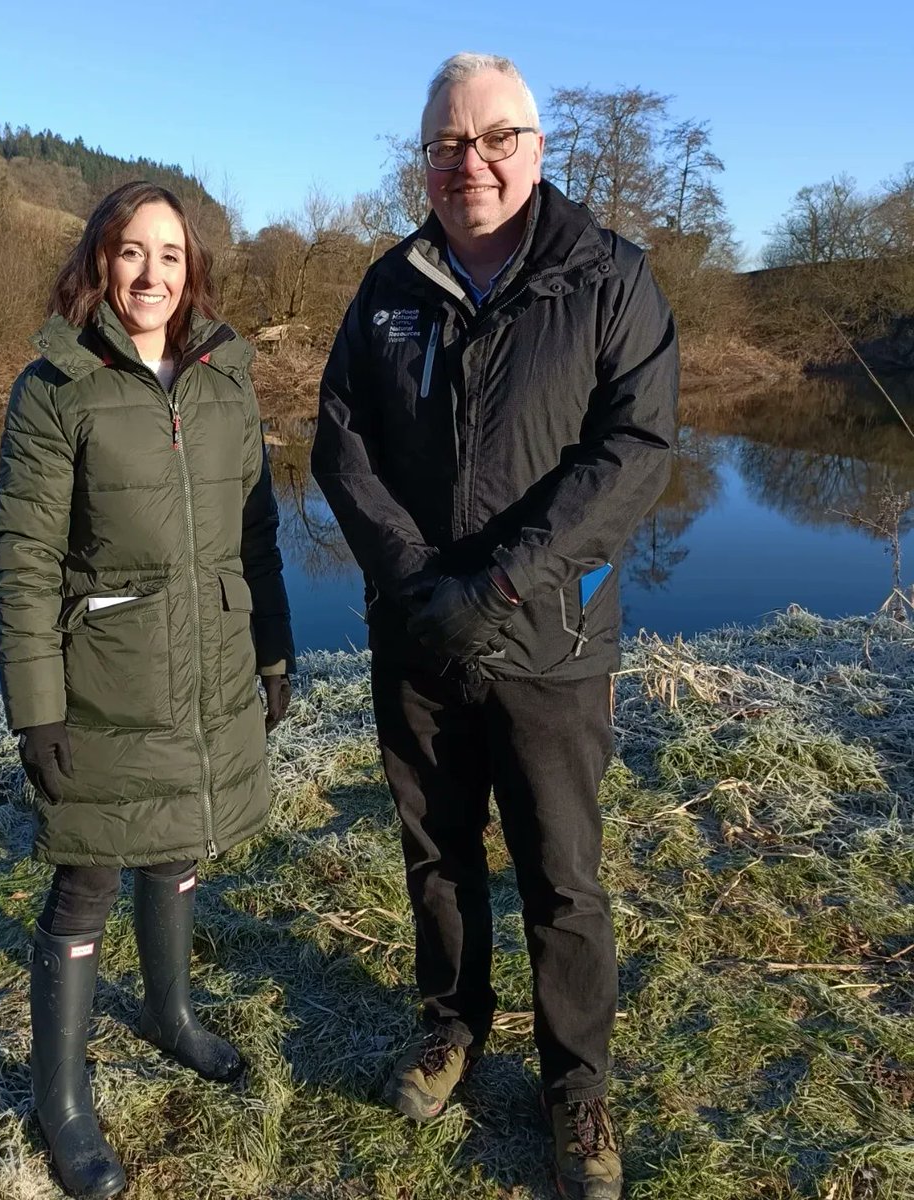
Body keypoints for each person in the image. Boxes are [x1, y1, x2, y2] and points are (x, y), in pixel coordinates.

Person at [312, 52, 677, 1200]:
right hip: (417, 634)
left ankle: (576, 1087)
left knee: (564, 873)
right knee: (438, 852)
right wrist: (420, 583)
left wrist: (501, 584)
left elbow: (634, 455)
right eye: (445, 144)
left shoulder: (609, 279)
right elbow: (340, 446)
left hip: (550, 643)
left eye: (492, 139)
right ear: (422, 159)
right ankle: (450, 1024)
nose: (468, 162)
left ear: (536, 144)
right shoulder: (386, 289)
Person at [0, 181, 294, 1200]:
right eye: (130, 252)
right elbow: (23, 558)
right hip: (103, 678)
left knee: (182, 845)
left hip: (208, 666)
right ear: (99, 266)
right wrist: (36, 706)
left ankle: (171, 1017)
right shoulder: (55, 387)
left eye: (170, 254)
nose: (151, 273)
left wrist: (275, 650)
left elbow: (257, 531)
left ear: (192, 270)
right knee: (85, 877)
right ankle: (60, 1101)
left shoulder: (227, 380)